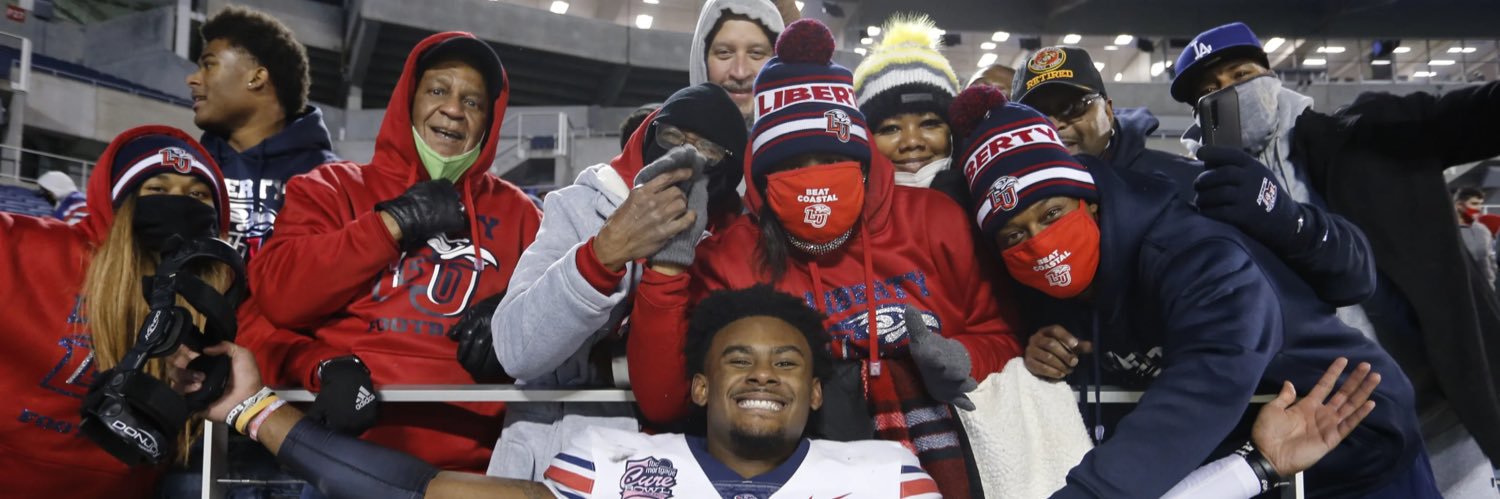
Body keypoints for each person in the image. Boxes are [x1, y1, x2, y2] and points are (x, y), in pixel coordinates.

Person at [194, 285, 1383, 499]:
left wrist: (1253, 465)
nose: (761, 373)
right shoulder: (613, 471)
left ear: (815, 395)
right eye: (738, 359)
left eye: (786, 363)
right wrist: (251, 410)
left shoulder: (884, 478)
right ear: (699, 382)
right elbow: (415, 492)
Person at [950, 85, 1438, 498]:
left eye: (1052, 214)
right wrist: (1047, 345)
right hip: (1242, 462)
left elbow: (1205, 381)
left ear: (1089, 203)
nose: (1038, 242)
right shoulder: (1044, 275)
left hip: (1353, 439)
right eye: (1014, 234)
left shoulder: (1193, 246)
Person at [627, 20, 1021, 498]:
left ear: (863, 162)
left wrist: (964, 357)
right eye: (792, 166)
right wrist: (668, 268)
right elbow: (665, 400)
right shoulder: (729, 255)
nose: (814, 179)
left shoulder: (937, 221)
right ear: (763, 175)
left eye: (832, 161)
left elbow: (1001, 337)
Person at [1172, 22, 1500, 497]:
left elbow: (1480, 115)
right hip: (1333, 438)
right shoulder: (1196, 203)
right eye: (1209, 91)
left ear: (1271, 75)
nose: (1229, 92)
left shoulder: (1370, 133)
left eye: (1241, 75)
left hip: (1444, 418)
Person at [242, 31, 541, 473]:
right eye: (437, 91)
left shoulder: (522, 214)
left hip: (481, 466)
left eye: (473, 102)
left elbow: (585, 316)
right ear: (408, 100)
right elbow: (279, 297)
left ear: (489, 121)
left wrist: (522, 310)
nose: (453, 109)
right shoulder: (330, 188)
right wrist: (390, 225)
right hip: (344, 454)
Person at [484, 83, 747, 481]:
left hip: (671, 470)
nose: (684, 156)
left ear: (728, 169)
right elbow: (516, 350)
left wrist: (612, 360)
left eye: (706, 150)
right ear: (650, 135)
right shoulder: (579, 207)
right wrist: (601, 255)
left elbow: (673, 396)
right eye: (672, 137)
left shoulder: (734, 245)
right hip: (551, 465)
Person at [0, 125, 240, 498]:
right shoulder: (27, 248)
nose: (179, 203)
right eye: (157, 189)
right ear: (120, 203)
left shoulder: (219, 293)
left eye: (198, 194)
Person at [187, 5, 340, 261]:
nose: (192, 79)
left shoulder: (333, 182)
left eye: (209, 65)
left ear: (256, 78)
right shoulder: (187, 169)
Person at [1010, 46, 1199, 197]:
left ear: (1108, 112)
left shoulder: (1186, 182)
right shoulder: (1009, 202)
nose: (1054, 125)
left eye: (1073, 108)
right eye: (1036, 116)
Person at [851, 14, 965, 200]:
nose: (912, 142)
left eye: (929, 123)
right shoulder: (844, 214)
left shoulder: (989, 208)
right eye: (890, 128)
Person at [689, 0, 786, 127]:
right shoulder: (668, 134)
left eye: (756, 53)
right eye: (724, 53)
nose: (740, 73)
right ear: (702, 60)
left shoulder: (806, 136)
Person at [1455, 187, 1496, 287]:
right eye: (1474, 204)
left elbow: (1489, 259)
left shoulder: (1482, 230)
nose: (1479, 208)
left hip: (1484, 287)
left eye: (1481, 204)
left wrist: (1491, 283)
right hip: (1457, 286)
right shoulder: (1448, 229)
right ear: (1459, 205)